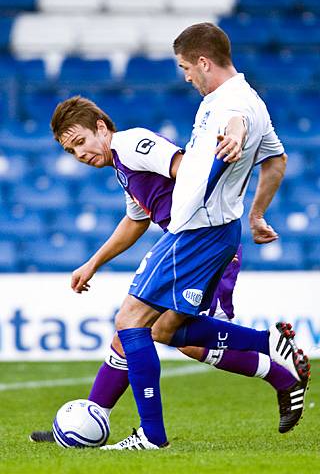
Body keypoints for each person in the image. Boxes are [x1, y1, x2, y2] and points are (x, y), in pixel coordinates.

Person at [30, 97, 309, 444]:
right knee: (153, 330)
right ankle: (91, 419)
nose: (80, 155)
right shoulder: (122, 166)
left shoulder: (131, 145)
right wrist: (93, 263)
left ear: (100, 127)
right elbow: (135, 221)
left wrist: (212, 216)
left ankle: (150, 434)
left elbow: (185, 168)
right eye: (71, 152)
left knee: (137, 324)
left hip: (199, 237)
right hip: (195, 238)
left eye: (81, 142)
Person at [94, 23, 310, 450]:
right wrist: (257, 214)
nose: (186, 76)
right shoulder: (250, 100)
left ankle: (151, 437)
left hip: (196, 230)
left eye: (185, 68)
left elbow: (236, 125)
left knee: (130, 322)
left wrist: (233, 135)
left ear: (204, 62)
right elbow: (277, 159)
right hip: (219, 231)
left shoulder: (233, 104)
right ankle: (272, 348)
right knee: (169, 331)